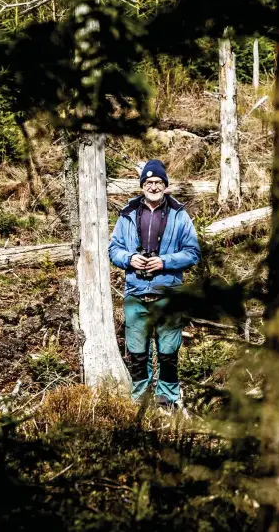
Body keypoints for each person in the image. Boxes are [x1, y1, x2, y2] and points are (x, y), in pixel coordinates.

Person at [108, 159, 200, 411]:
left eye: (159, 182)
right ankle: (140, 399)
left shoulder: (180, 215)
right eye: (149, 182)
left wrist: (163, 262)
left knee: (168, 351)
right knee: (137, 352)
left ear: (166, 186)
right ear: (142, 186)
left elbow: (192, 252)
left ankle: (167, 399)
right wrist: (129, 259)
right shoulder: (127, 214)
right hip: (135, 292)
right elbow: (113, 249)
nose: (154, 186)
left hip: (168, 292)